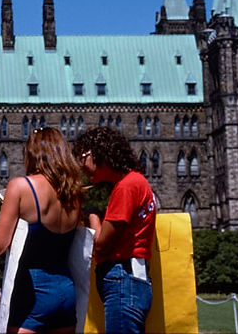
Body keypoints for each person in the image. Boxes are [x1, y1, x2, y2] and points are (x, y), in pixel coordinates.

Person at [0, 127, 83, 334]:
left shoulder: (21, 187)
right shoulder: (73, 193)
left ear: (32, 154)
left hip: (32, 290)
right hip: (65, 289)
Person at [74, 127, 156, 334]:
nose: (81, 166)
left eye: (82, 156)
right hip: (133, 279)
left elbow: (101, 244)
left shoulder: (126, 187)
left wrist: (92, 215)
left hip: (122, 280)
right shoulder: (137, 181)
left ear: (98, 152)